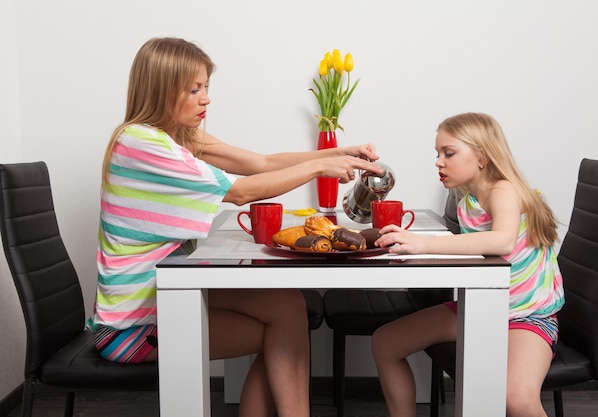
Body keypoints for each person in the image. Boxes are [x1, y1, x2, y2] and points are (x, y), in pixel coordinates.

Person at [86, 37, 383, 417]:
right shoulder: (142, 143)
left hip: (159, 299)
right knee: (283, 332)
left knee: (288, 306)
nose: (205, 98)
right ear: (160, 89)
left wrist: (339, 153)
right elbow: (241, 192)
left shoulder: (174, 137)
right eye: (193, 89)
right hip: (131, 326)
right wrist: (318, 167)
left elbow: (260, 163)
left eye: (206, 87)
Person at [371, 112, 565, 417]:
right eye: (437, 153)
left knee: (517, 399)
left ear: (482, 157)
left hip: (526, 317)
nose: (439, 161)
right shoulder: (466, 202)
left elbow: (502, 242)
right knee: (385, 343)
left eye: (449, 153)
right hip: (480, 308)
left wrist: (425, 245)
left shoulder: (504, 190)